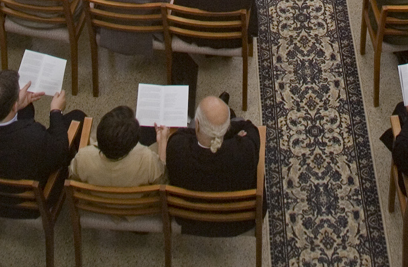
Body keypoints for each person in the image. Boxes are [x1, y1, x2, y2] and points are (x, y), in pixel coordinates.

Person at [0, 68, 83, 200]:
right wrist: (56, 111)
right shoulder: (34, 137)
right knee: (77, 116)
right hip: (25, 205)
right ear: (14, 106)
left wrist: (19, 106)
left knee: (26, 110)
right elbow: (59, 152)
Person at [165, 97, 264, 234]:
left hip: (190, 220)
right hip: (237, 223)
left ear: (197, 125)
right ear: (227, 127)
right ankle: (228, 113)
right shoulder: (245, 150)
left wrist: (211, 130)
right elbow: (247, 126)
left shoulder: (176, 148)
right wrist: (226, 130)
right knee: (238, 118)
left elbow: (183, 133)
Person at [69, 104, 167, 186]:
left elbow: (73, 178)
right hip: (136, 207)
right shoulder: (147, 159)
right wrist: (162, 143)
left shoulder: (82, 158)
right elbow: (162, 182)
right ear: (132, 145)